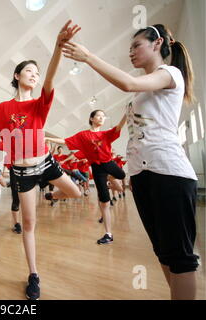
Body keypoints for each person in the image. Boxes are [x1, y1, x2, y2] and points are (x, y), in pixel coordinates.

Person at [62, 24, 199, 299]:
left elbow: (128, 82)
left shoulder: (170, 74)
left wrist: (88, 57)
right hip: (144, 175)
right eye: (130, 48)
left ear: (157, 43)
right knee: (163, 252)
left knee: (180, 257)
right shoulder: (143, 93)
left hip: (169, 173)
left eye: (136, 45)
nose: (131, 52)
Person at [0, 20, 82, 300]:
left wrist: (58, 48)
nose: (34, 75)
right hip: (22, 173)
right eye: (29, 71)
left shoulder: (39, 104)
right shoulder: (4, 108)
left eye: (36, 73)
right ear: (17, 75)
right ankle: (33, 274)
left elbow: (50, 79)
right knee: (28, 224)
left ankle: (51, 198)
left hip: (45, 162)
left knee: (75, 191)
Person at [45, 110, 127, 244]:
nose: (101, 118)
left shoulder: (105, 134)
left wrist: (126, 114)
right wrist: (48, 138)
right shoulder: (83, 135)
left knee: (122, 175)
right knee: (104, 202)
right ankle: (108, 234)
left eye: (103, 116)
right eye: (99, 116)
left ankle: (110, 179)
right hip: (97, 168)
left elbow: (118, 127)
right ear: (92, 118)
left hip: (109, 163)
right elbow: (65, 141)